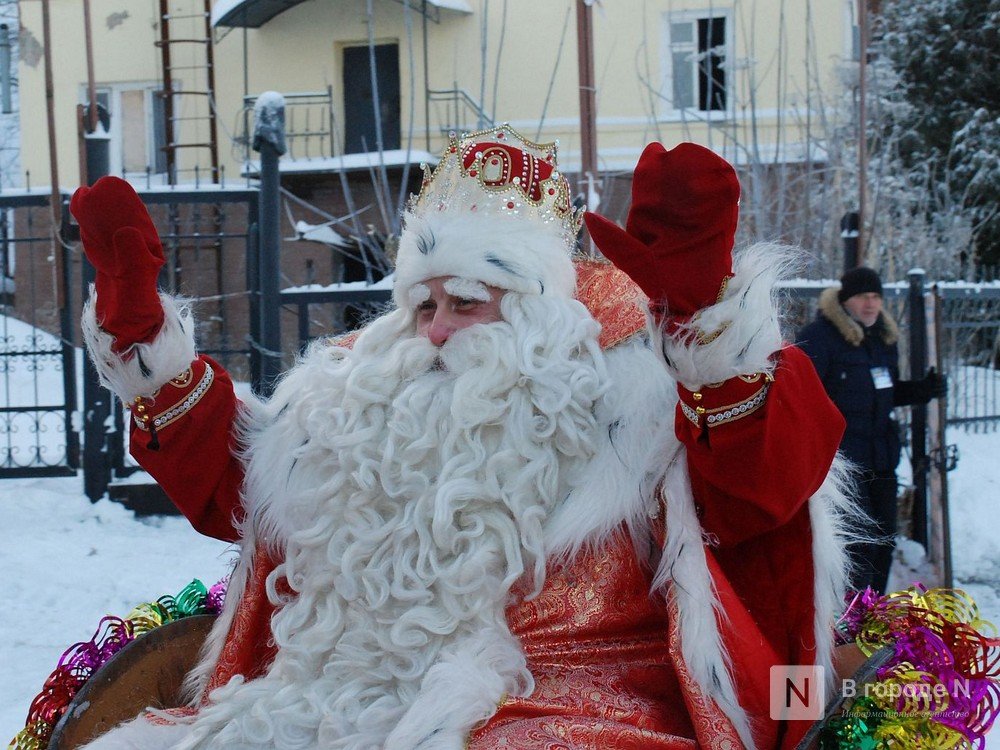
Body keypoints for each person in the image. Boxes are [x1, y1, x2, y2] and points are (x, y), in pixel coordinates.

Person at [71, 127, 854, 750]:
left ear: (536, 309)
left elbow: (761, 489)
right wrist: (149, 352)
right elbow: (242, 484)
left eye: (467, 302)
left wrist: (708, 328)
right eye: (422, 305)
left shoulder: (636, 394)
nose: (437, 331)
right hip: (335, 696)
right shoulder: (360, 390)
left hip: (572, 697)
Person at [796, 266, 946, 595]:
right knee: (857, 545)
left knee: (884, 541)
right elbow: (801, 398)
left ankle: (875, 613)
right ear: (845, 300)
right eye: (863, 296)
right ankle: (851, 621)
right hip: (843, 462)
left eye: (876, 296)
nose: (871, 304)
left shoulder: (881, 340)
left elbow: (887, 392)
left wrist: (921, 390)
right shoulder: (819, 338)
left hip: (881, 458)